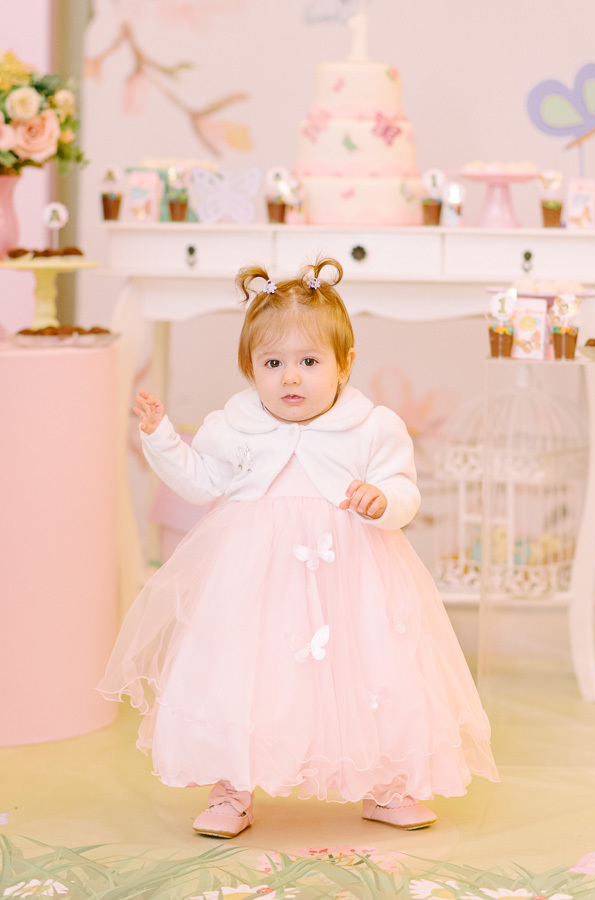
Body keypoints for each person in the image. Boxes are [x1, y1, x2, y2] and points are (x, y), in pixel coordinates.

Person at [98, 257, 499, 839]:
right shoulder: (235, 426)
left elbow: (404, 490)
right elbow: (199, 481)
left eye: (309, 362)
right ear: (250, 368)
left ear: (344, 365)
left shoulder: (372, 427)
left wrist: (381, 500)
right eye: (273, 363)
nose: (291, 378)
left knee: (375, 670)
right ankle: (231, 785)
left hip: (354, 578)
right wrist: (161, 437)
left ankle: (385, 783)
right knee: (241, 672)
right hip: (255, 581)